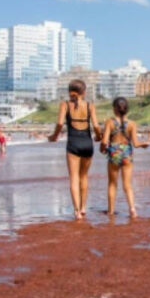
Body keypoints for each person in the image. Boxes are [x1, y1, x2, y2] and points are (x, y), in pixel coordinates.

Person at [47, 79, 102, 220]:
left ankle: (77, 212)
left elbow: (60, 123)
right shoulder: (90, 105)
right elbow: (96, 126)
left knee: (74, 178)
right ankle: (83, 207)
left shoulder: (65, 105)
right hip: (87, 144)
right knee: (84, 177)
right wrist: (99, 137)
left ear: (69, 91)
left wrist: (54, 136)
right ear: (84, 92)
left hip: (73, 144)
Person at [100, 97, 150, 217]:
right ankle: (132, 209)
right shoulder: (132, 124)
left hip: (114, 153)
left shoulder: (110, 122)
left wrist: (101, 149)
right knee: (127, 184)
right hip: (127, 153)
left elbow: (104, 141)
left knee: (112, 184)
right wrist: (144, 144)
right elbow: (136, 144)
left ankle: (111, 211)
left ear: (114, 109)